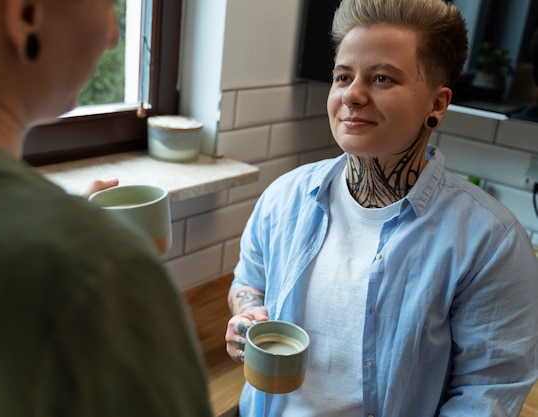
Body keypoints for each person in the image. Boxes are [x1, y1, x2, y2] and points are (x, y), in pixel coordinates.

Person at [225, 0, 538, 415]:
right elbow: (249, 281)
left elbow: (487, 393)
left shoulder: (491, 243)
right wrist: (247, 317)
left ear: (437, 104)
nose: (352, 94)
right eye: (342, 76)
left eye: (382, 78)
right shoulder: (284, 198)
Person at [0, 1, 212, 416]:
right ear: (26, 15)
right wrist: (79, 239)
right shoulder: (96, 269)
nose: (114, 34)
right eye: (108, 5)